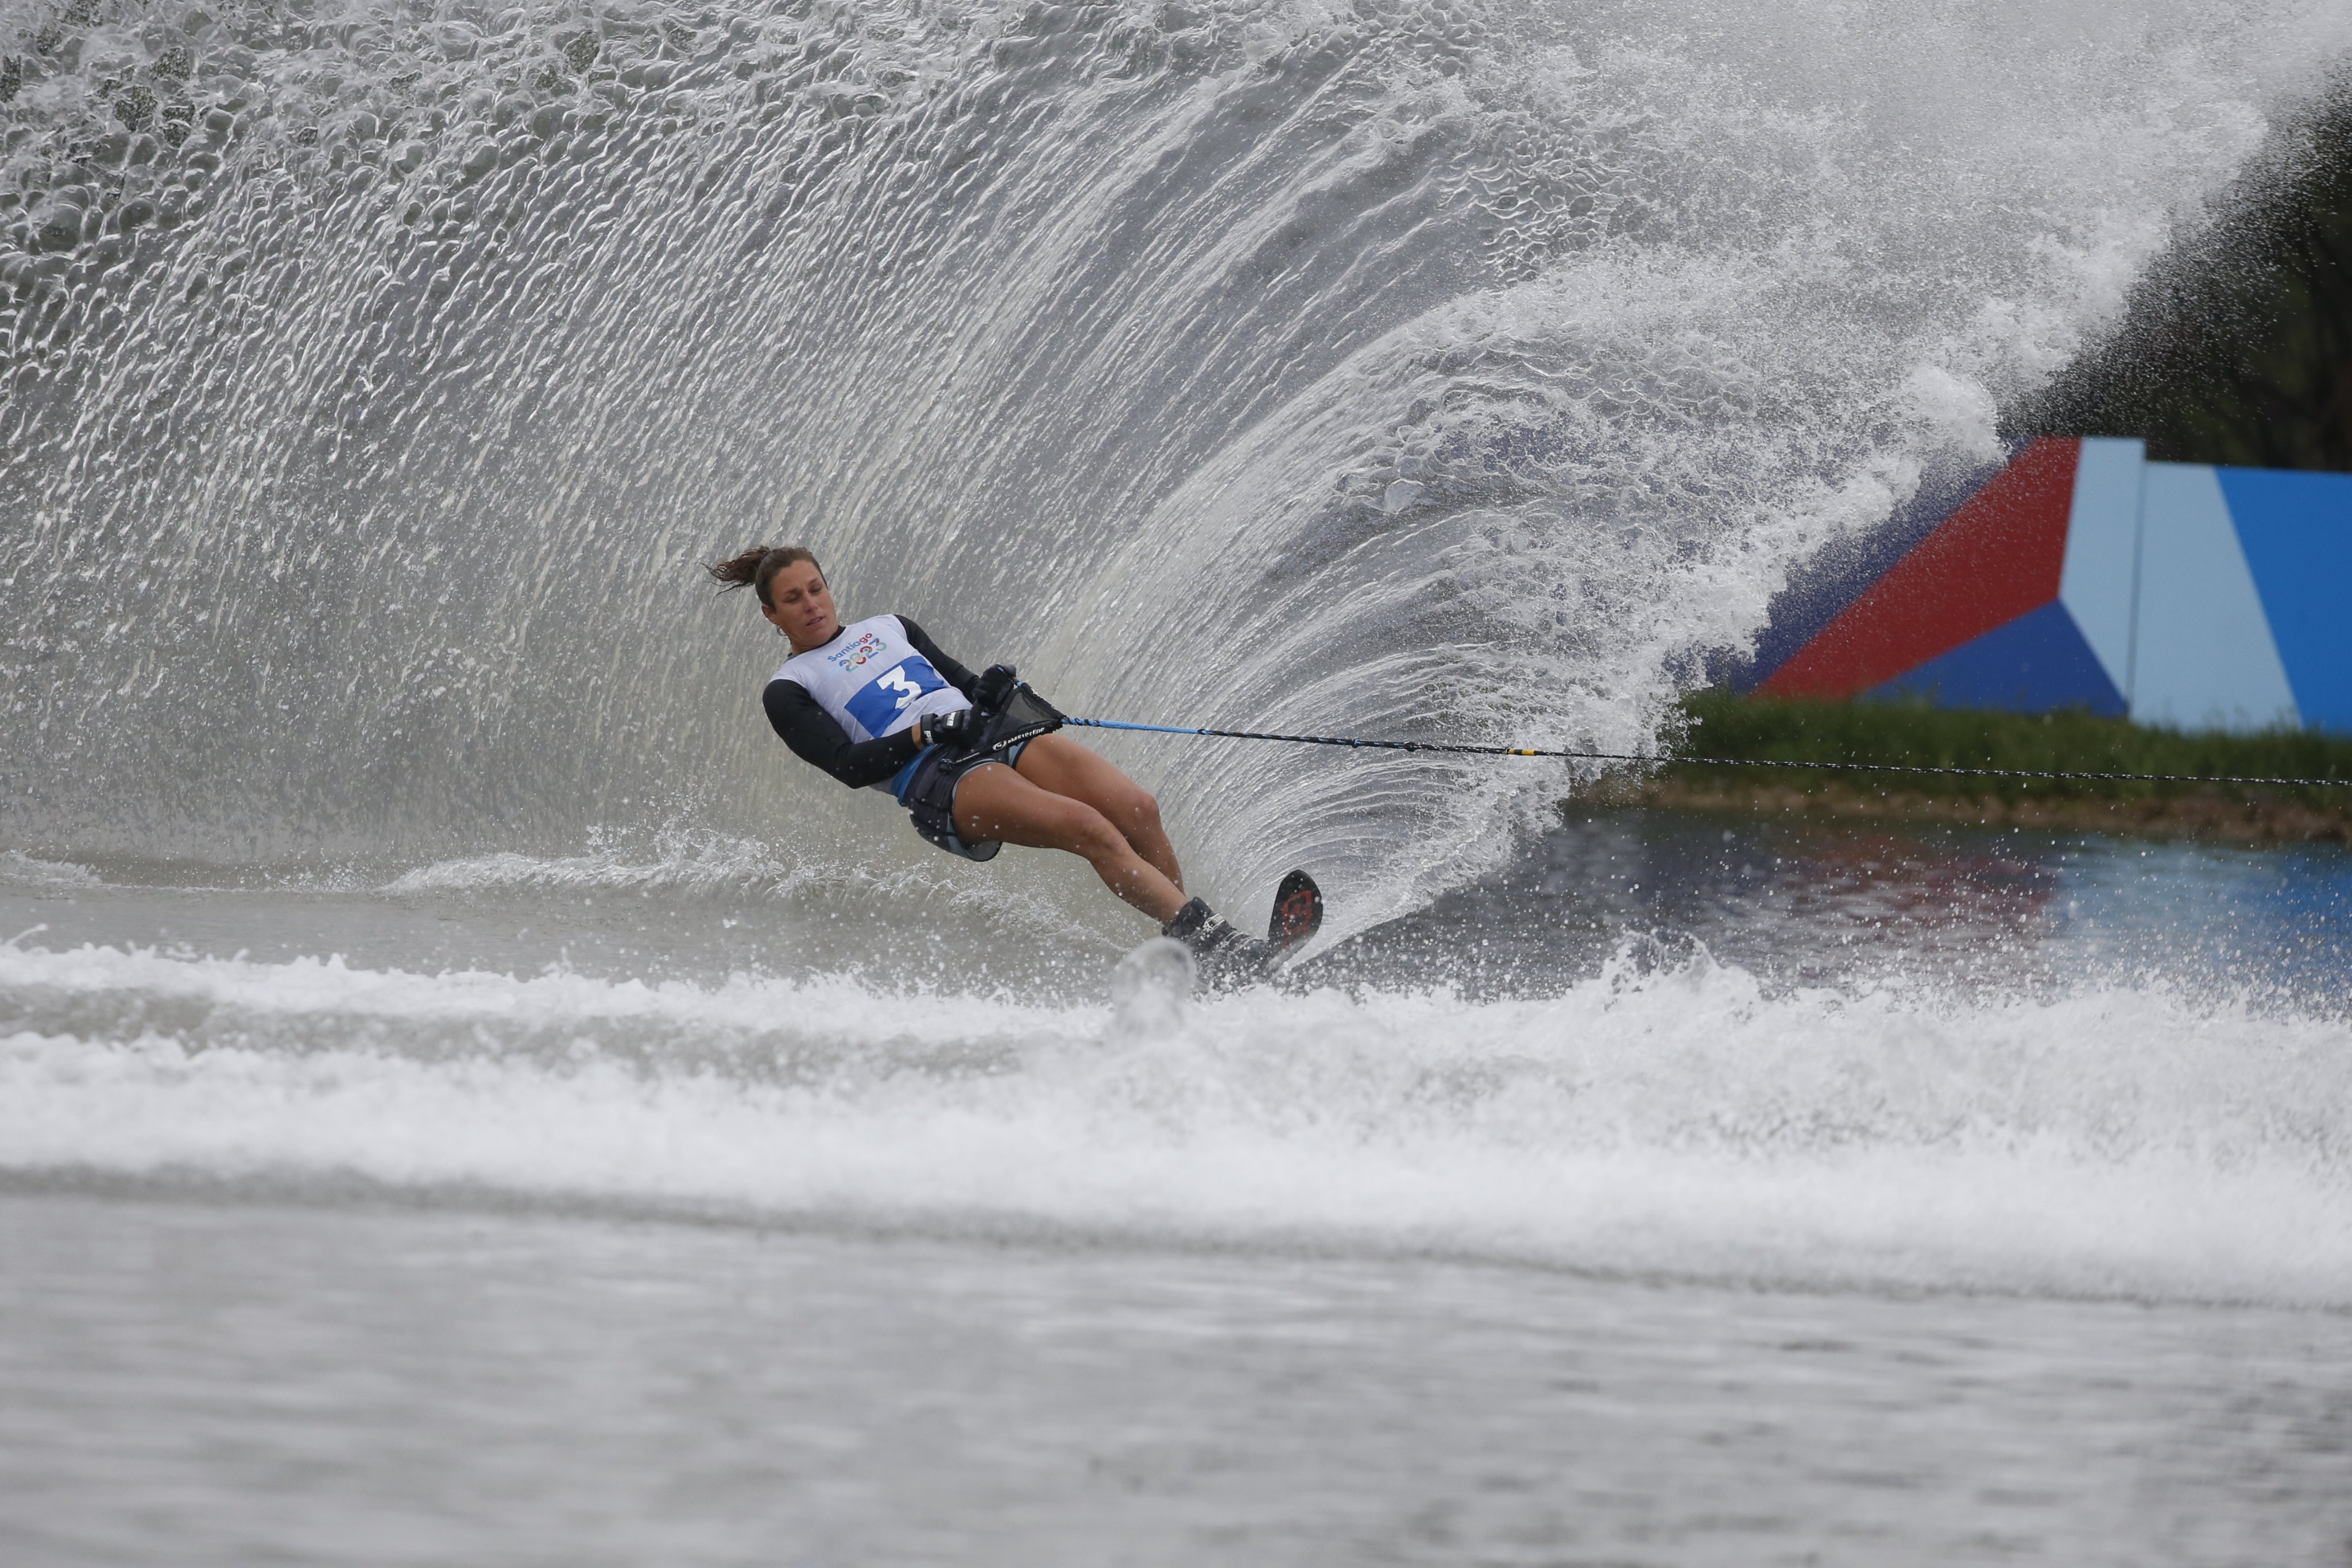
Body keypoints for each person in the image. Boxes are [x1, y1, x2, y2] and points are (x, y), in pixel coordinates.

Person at [707, 544, 1287, 979]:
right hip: (939, 776)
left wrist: (991, 686)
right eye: (793, 598)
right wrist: (923, 733)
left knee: (1137, 808)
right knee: (1090, 829)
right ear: (770, 614)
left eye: (816, 588)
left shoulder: (891, 627)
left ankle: (1190, 951)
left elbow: (960, 682)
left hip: (987, 734)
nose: (811, 604)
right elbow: (849, 765)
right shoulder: (788, 688)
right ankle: (1227, 950)